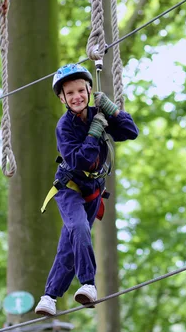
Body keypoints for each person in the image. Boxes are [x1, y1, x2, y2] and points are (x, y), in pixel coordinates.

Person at [35, 63, 139, 316]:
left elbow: (130, 132)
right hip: (69, 189)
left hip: (93, 191)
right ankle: (88, 284)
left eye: (81, 90)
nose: (77, 96)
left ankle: (49, 296)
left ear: (90, 90)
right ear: (62, 98)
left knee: (71, 244)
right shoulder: (65, 127)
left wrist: (113, 112)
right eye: (70, 93)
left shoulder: (98, 114)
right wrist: (94, 134)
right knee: (79, 229)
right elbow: (79, 160)